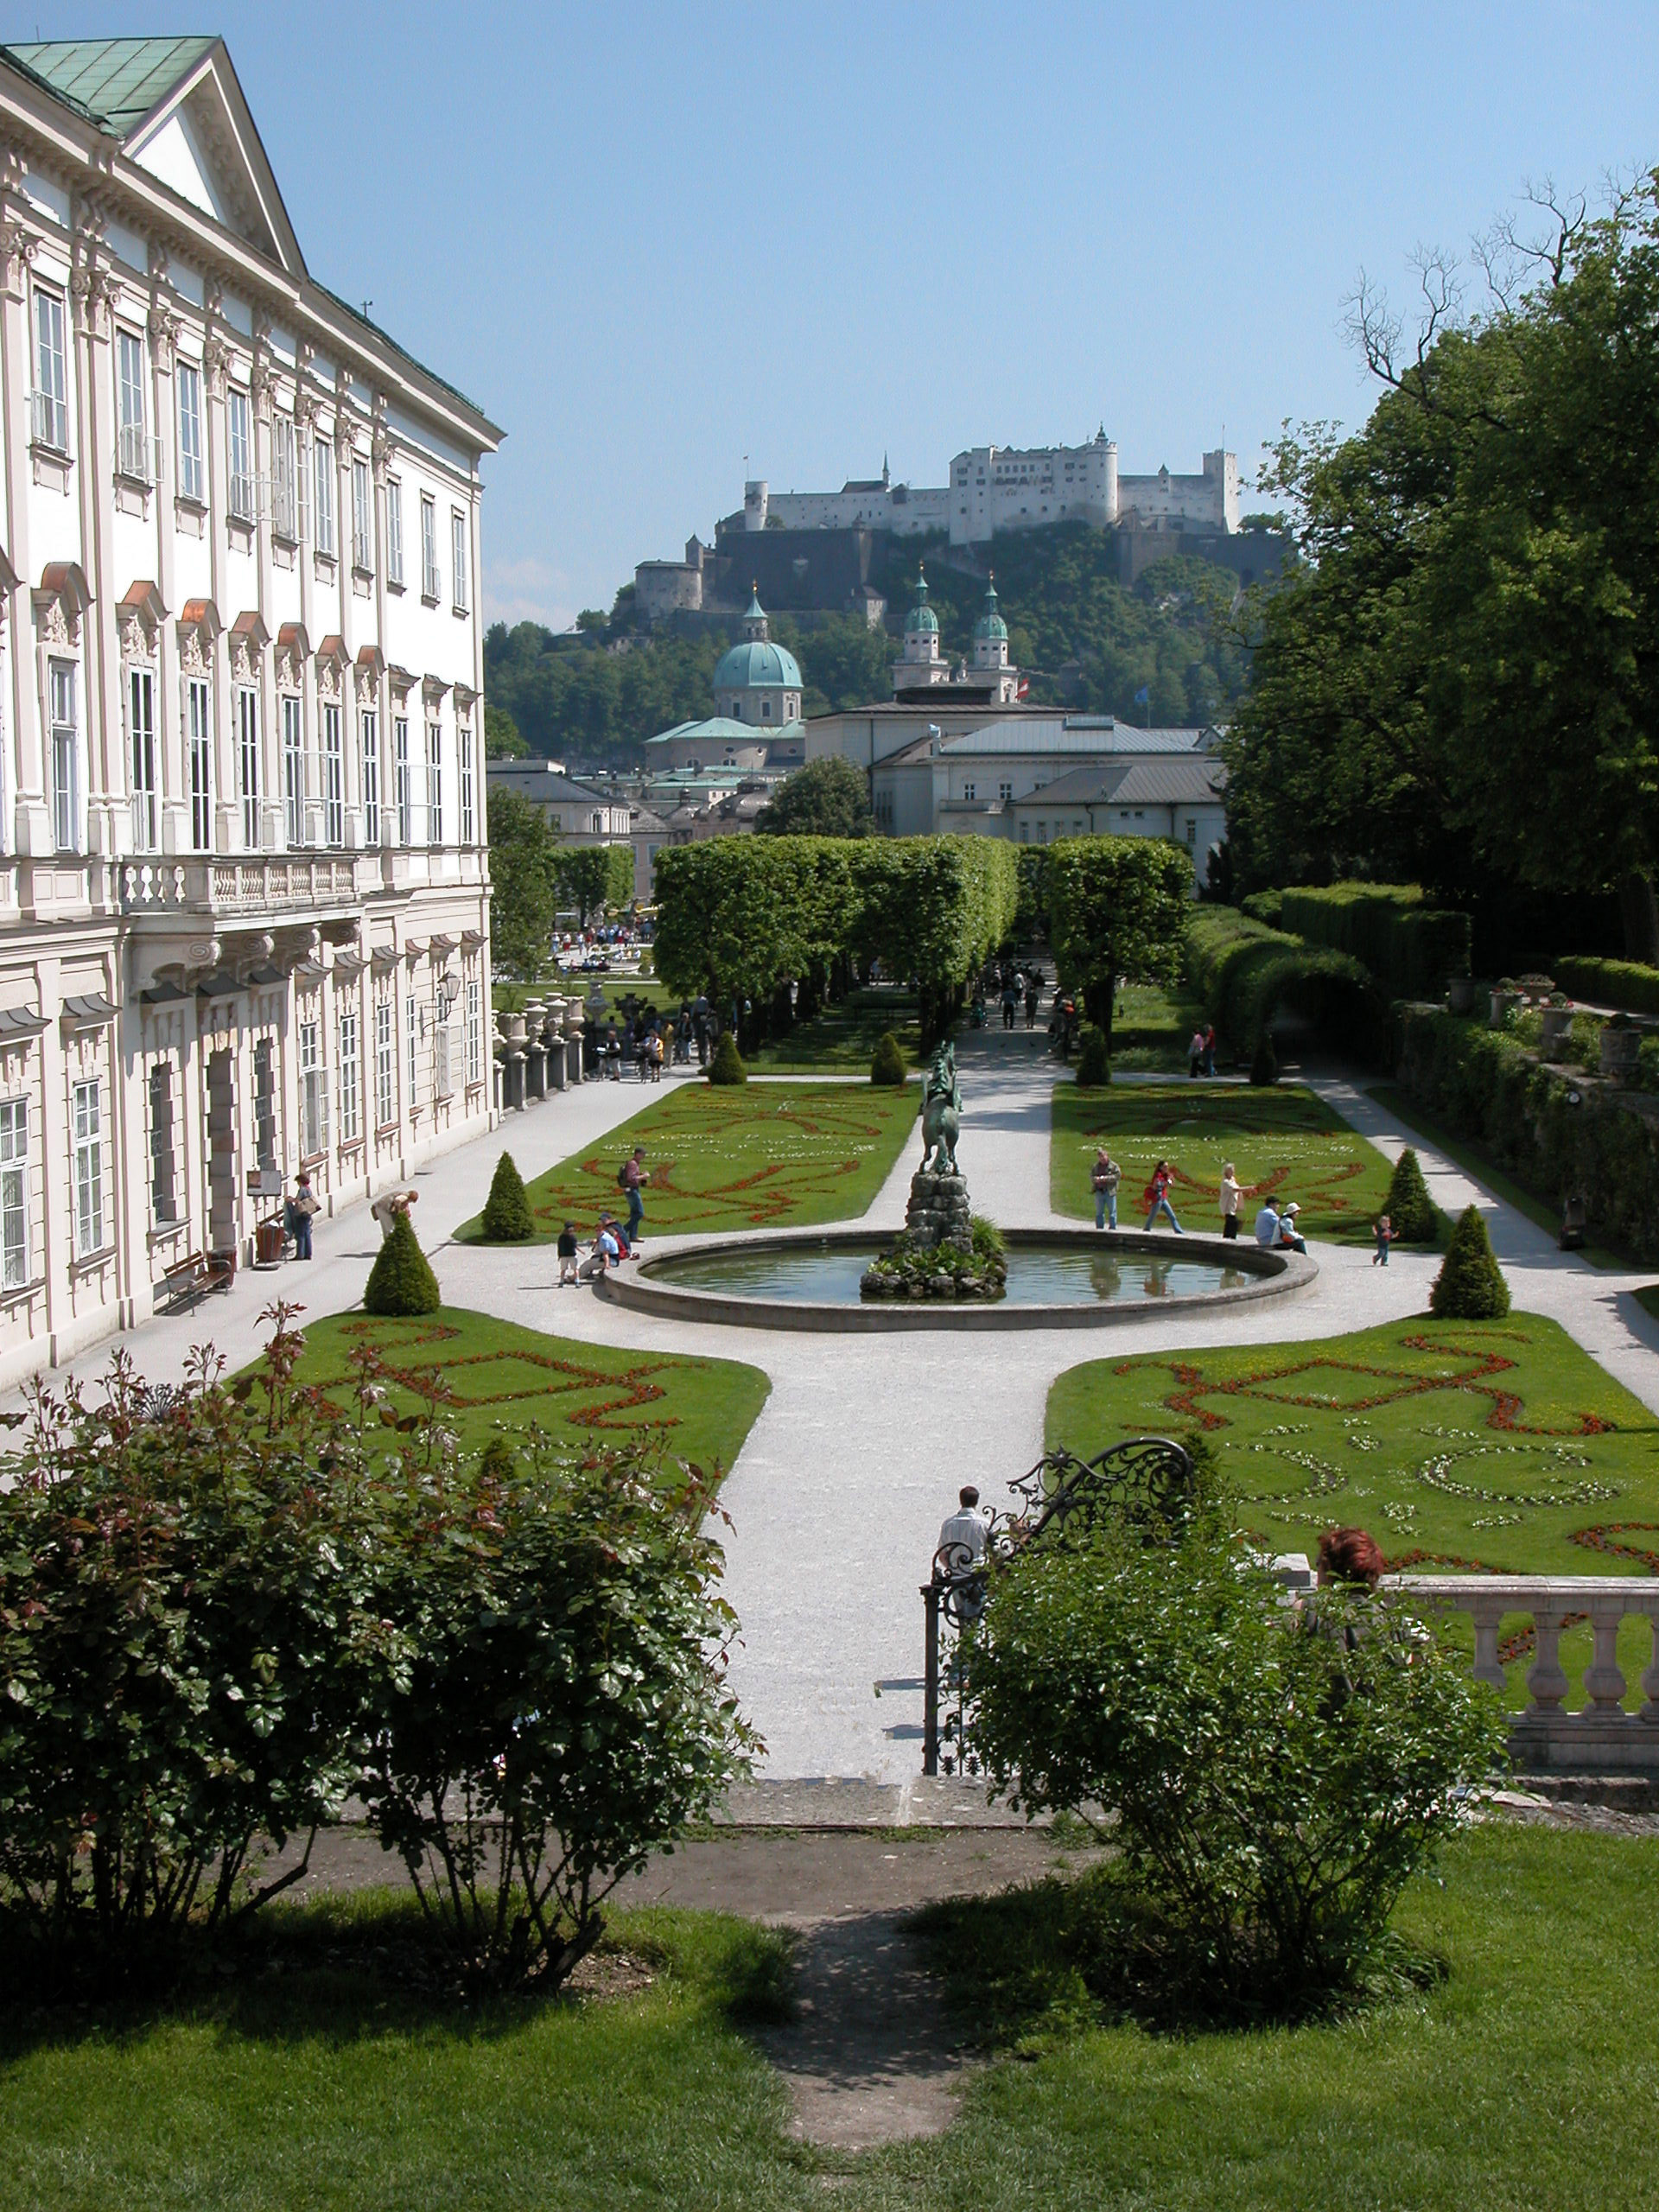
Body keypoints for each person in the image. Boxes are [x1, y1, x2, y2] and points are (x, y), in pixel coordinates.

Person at [938, 1484, 992, 1568]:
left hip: (954, 1577)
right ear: (976, 1502)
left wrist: (952, 1570)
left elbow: (942, 1555)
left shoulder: (948, 1524)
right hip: (978, 1576)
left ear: (961, 1501)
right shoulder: (985, 1524)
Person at [286, 1171, 320, 1261]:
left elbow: (298, 1200)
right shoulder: (308, 1189)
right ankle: (308, 1254)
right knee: (307, 1234)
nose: (297, 1184)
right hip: (307, 1213)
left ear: (300, 1181)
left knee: (300, 1234)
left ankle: (300, 1254)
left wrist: (290, 1200)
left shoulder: (302, 1189)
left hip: (301, 1214)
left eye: (298, 1182)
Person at [1143, 1159, 1183, 1233]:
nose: (1167, 1168)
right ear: (1160, 1167)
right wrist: (1165, 1183)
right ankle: (1146, 1229)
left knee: (1171, 1215)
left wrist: (1170, 1180)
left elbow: (1172, 1184)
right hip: (1157, 1198)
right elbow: (1155, 1186)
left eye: (1167, 1167)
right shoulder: (1158, 1175)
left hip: (1163, 1198)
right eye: (1165, 1167)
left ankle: (1178, 1230)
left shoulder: (1166, 1175)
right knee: (1152, 1215)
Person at [620, 1146, 648, 1245]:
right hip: (632, 1190)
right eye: (643, 1154)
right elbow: (631, 1178)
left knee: (634, 1212)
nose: (643, 1156)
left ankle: (633, 1235)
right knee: (639, 1213)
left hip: (631, 1190)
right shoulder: (632, 1164)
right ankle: (622, 1232)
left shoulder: (634, 1163)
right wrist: (643, 1176)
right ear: (638, 1154)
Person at [1091, 1147, 1121, 1231]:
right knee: (1099, 1212)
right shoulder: (1096, 1167)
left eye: (1103, 1157)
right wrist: (1096, 1179)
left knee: (1112, 1212)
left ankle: (1112, 1228)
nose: (1102, 1159)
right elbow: (1092, 1176)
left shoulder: (1114, 1166)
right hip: (1099, 1191)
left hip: (1110, 1192)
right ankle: (1099, 1229)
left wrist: (1106, 1178)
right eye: (1100, 1157)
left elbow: (1117, 1176)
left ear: (1107, 1156)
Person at [1219, 1162, 1242, 1240]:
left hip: (1233, 1205)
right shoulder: (1225, 1182)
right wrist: (1249, 1189)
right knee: (1232, 1222)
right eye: (1231, 1170)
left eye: (1233, 1170)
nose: (1233, 1172)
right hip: (1227, 1206)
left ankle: (1229, 1238)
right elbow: (1235, 1189)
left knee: (1231, 1224)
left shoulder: (1232, 1180)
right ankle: (1229, 1239)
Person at [556, 1220, 581, 1287]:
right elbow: (575, 1245)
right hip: (572, 1255)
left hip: (564, 1255)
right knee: (575, 1269)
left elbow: (559, 1246)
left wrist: (559, 1254)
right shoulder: (572, 1237)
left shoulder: (562, 1237)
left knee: (563, 1269)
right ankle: (577, 1281)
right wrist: (580, 1251)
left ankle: (561, 1282)